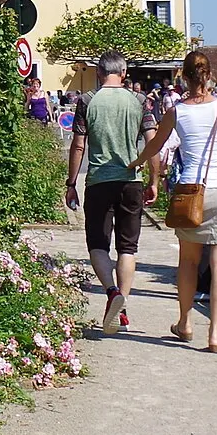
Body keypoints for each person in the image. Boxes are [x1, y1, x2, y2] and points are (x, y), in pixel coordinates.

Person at [130, 48, 217, 353]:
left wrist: (135, 165)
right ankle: (215, 334)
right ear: (209, 75)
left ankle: (185, 323)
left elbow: (155, 147)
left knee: (188, 261)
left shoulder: (177, 111)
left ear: (183, 78)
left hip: (191, 192)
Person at [62, 52, 159, 333]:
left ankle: (112, 292)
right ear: (124, 73)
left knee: (98, 244)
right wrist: (154, 179)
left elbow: (78, 145)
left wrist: (71, 184)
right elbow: (152, 144)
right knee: (128, 247)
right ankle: (124, 309)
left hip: (99, 181)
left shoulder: (88, 101)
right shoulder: (139, 101)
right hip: (131, 180)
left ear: (99, 73)